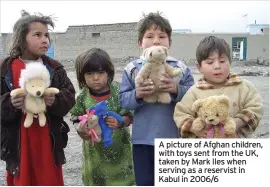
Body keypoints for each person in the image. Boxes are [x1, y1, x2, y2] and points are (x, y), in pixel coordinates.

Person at [0, 10, 76, 185]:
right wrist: (9, 103)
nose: (45, 40)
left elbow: (70, 96)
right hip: (19, 143)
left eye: (47, 35)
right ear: (21, 38)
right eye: (37, 35)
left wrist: (55, 101)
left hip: (48, 142)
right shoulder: (5, 69)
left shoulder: (55, 68)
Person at [119, 12, 194, 186]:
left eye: (162, 36)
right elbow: (123, 100)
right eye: (149, 36)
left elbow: (193, 96)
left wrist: (176, 90)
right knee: (145, 182)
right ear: (140, 43)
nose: (156, 41)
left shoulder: (179, 68)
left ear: (169, 43)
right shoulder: (132, 69)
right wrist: (137, 94)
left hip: (173, 138)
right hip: (142, 140)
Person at [173, 35, 264, 138]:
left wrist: (237, 122)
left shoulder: (244, 87)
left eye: (222, 61)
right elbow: (181, 113)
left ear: (230, 62)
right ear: (199, 68)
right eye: (210, 62)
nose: (217, 66)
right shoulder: (194, 91)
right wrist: (193, 128)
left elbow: (256, 108)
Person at [70, 48, 135, 186]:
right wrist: (82, 130)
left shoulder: (119, 92)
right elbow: (75, 117)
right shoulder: (82, 97)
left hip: (120, 155)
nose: (95, 78)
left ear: (109, 72)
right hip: (94, 156)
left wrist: (121, 121)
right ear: (82, 76)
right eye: (89, 73)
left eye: (100, 72)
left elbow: (130, 114)